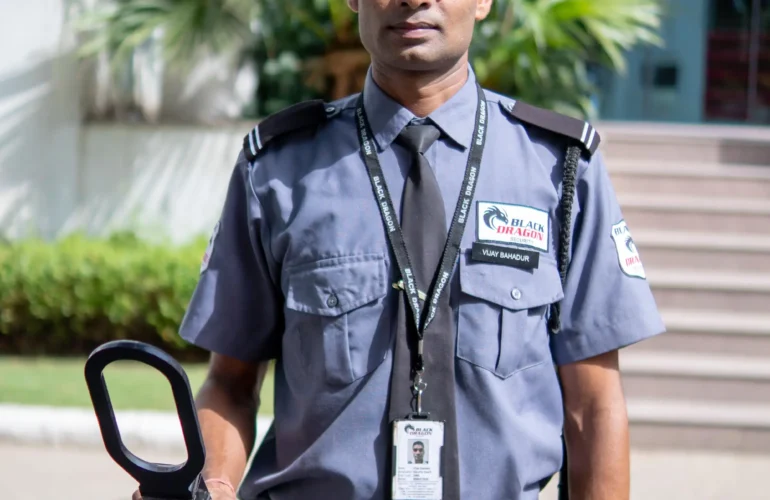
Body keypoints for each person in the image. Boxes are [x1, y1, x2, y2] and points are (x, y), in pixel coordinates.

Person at [133, 0, 665, 499]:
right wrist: (211, 485)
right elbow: (230, 382)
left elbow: (593, 406)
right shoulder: (278, 173)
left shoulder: (560, 171)